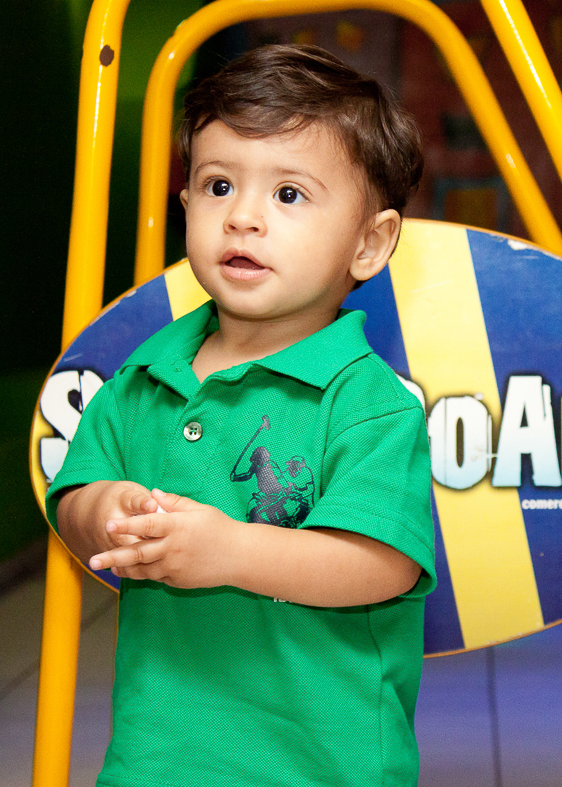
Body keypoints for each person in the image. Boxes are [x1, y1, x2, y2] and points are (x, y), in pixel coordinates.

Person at [46, 44, 435, 787]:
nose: (243, 218)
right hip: (157, 761)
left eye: (288, 194)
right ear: (186, 206)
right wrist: (105, 512)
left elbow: (381, 565)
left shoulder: (368, 404)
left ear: (369, 243)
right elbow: (72, 502)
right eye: (218, 185)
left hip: (323, 764)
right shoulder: (141, 381)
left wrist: (229, 553)